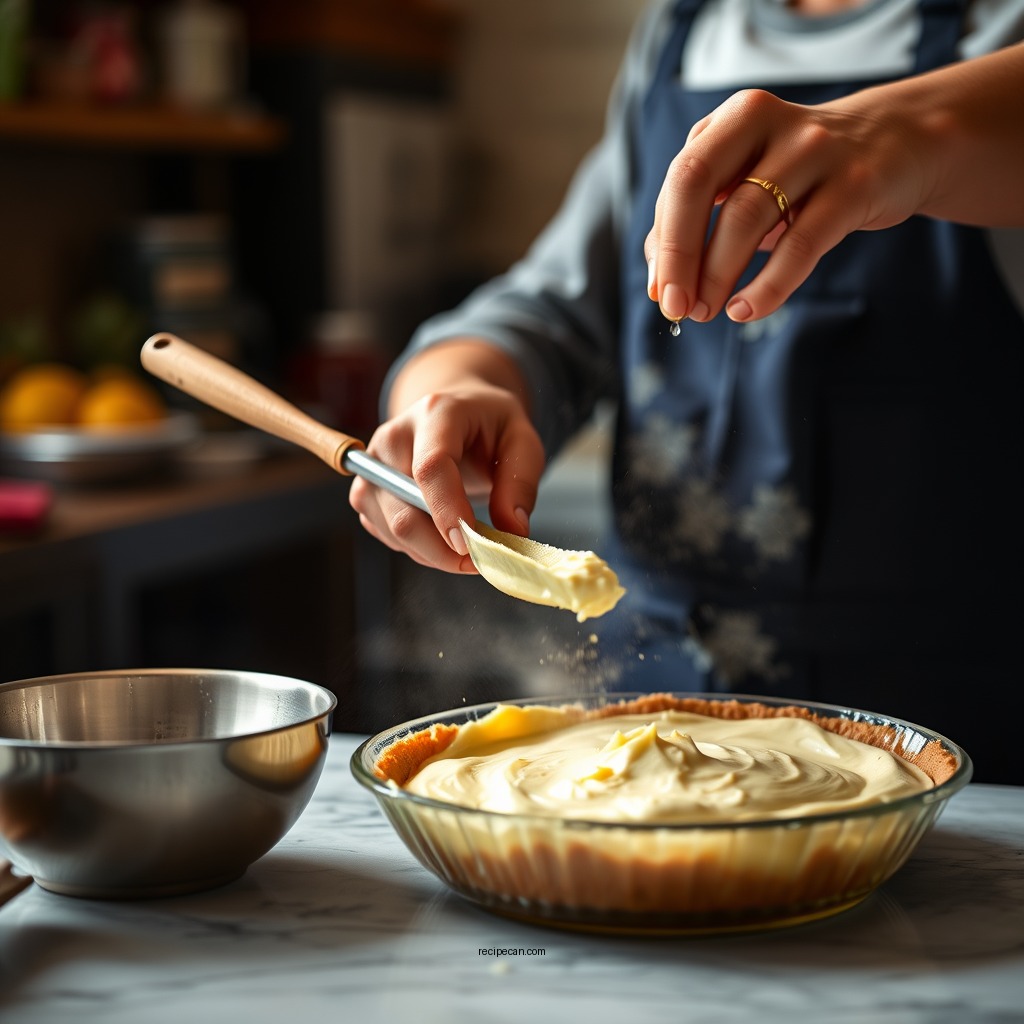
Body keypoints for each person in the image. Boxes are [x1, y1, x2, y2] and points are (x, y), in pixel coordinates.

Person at [349, 0, 1024, 784]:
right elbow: (548, 311)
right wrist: (455, 387)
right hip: (655, 722)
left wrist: (910, 133)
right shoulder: (683, 36)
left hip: (966, 745)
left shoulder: (997, 29)